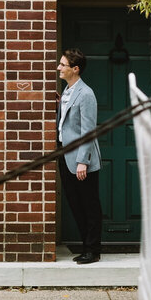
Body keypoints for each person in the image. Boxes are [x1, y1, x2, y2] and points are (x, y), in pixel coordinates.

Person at [56, 48, 103, 264]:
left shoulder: (86, 93)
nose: (59, 68)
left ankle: (92, 250)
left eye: (63, 65)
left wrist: (83, 161)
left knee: (89, 205)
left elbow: (88, 130)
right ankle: (86, 246)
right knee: (75, 203)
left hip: (81, 160)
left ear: (75, 69)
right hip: (65, 156)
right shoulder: (67, 91)